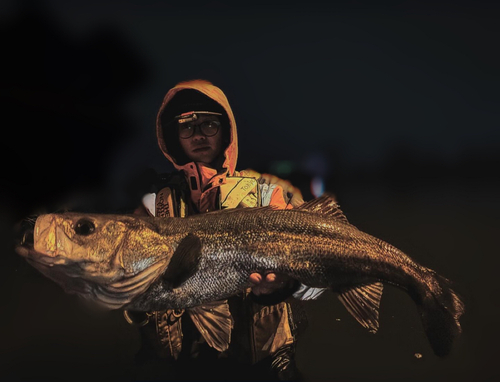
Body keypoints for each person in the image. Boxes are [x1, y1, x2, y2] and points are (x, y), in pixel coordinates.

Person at [125, 79, 309, 381]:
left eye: (209, 125)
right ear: (174, 135)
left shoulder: (267, 194)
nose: (198, 135)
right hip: (190, 362)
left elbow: (310, 279)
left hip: (262, 363)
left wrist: (279, 288)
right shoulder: (152, 206)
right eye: (186, 126)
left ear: (226, 130)